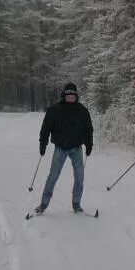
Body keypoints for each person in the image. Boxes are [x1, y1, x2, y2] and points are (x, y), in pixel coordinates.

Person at [35, 82, 93, 213]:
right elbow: (45, 129)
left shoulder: (82, 111)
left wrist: (89, 144)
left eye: (73, 95)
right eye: (68, 95)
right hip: (61, 147)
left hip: (76, 148)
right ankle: (43, 204)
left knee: (80, 177)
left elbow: (88, 129)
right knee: (53, 176)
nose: (70, 97)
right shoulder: (54, 110)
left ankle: (76, 204)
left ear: (76, 96)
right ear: (64, 95)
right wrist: (42, 144)